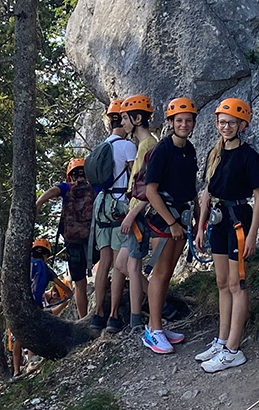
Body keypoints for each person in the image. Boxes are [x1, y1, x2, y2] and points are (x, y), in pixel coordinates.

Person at [194, 98, 259, 373]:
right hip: (219, 221)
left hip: (238, 221)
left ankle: (233, 349)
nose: (226, 127)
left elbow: (258, 197)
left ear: (242, 125)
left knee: (237, 285)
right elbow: (207, 193)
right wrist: (200, 227)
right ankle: (222, 341)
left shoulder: (249, 155)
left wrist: (253, 234)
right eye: (222, 122)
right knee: (222, 282)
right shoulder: (216, 154)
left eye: (232, 123)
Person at [142, 97, 200, 354]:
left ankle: (159, 327)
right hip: (165, 221)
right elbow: (151, 191)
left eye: (188, 120)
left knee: (166, 274)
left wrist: (198, 219)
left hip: (182, 218)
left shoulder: (190, 150)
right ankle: (153, 329)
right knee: (161, 273)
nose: (184, 124)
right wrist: (172, 222)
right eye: (179, 120)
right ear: (170, 123)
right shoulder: (162, 150)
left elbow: (192, 190)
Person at [104, 94, 157, 330]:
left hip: (139, 215)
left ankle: (137, 321)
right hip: (135, 213)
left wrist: (131, 215)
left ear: (137, 118)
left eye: (125, 118)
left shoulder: (148, 146)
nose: (122, 123)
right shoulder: (143, 146)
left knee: (132, 267)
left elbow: (149, 188)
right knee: (122, 264)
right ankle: (160, 303)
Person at [90, 99, 137, 331]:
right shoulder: (127, 146)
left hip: (101, 205)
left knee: (104, 260)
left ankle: (97, 313)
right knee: (120, 263)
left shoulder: (102, 146)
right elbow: (135, 174)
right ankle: (114, 315)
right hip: (119, 205)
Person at [36, 158, 97, 318]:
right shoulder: (93, 188)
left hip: (73, 242)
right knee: (103, 270)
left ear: (69, 176)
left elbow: (52, 191)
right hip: (93, 240)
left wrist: (39, 203)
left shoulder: (66, 187)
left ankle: (83, 319)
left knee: (80, 284)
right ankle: (100, 313)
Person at [12, 238, 73, 376]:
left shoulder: (23, 265)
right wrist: (69, 294)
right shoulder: (45, 268)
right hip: (34, 306)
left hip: (18, 305)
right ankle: (32, 361)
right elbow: (60, 284)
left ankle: (16, 370)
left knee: (17, 338)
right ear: (46, 255)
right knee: (33, 333)